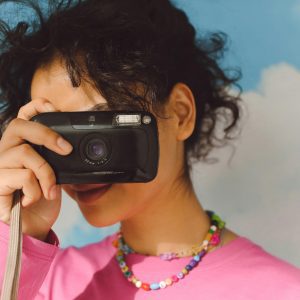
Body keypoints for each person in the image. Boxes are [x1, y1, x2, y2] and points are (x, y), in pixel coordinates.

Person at [0, 0, 299, 299]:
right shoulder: (39, 282)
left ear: (181, 114)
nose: (75, 156)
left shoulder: (283, 290)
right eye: (55, 133)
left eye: (101, 125)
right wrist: (18, 238)